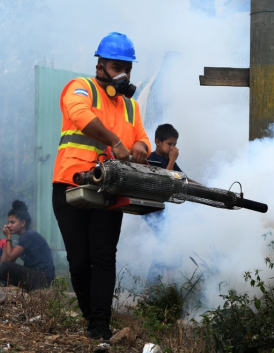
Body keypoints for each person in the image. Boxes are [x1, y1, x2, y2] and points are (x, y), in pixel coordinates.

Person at [52, 32, 151, 340]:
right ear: (101, 66)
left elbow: (143, 139)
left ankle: (99, 325)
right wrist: (116, 141)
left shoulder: (130, 107)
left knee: (104, 257)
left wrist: (141, 150)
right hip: (72, 184)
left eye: (128, 68)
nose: (124, 74)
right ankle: (89, 314)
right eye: (118, 66)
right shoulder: (80, 88)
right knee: (79, 260)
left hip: (109, 188)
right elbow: (80, 117)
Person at [144, 124, 189, 283]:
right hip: (152, 207)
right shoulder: (151, 159)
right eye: (170, 144)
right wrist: (172, 160)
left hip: (164, 209)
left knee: (170, 243)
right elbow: (164, 181)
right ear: (157, 141)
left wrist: (204, 187)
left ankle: (170, 285)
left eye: (175, 144)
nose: (173, 148)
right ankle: (152, 286)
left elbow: (182, 177)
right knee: (164, 243)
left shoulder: (168, 159)